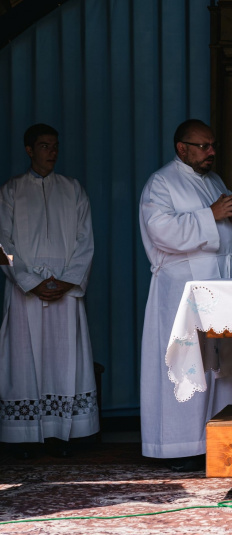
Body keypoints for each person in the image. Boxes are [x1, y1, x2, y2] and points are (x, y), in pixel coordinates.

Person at [139, 119, 232, 471]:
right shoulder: (161, 183)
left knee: (224, 365)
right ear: (181, 148)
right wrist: (212, 215)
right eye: (203, 146)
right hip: (181, 287)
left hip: (221, 279)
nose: (211, 152)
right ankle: (178, 445)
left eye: (212, 145)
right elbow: (162, 231)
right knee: (189, 364)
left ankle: (219, 441)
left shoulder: (214, 181)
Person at [0, 123, 98, 458]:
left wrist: (67, 280)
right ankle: (24, 434)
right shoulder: (11, 190)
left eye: (55, 146)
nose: (51, 152)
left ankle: (65, 432)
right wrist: (28, 280)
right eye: (44, 146)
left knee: (64, 358)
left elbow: (86, 242)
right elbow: (3, 244)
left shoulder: (72, 189)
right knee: (24, 358)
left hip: (65, 290)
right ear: (29, 150)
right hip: (24, 288)